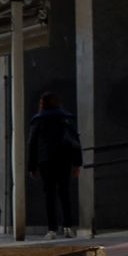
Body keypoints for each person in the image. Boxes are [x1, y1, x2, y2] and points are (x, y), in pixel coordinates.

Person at [28, 92, 82, 238]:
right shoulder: (66, 118)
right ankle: (68, 227)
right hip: (64, 159)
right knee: (65, 193)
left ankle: (52, 229)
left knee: (49, 195)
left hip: (46, 161)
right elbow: (75, 141)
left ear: (42, 104)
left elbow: (32, 144)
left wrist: (32, 166)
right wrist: (77, 164)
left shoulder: (38, 120)